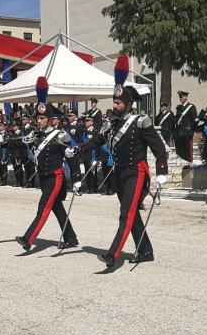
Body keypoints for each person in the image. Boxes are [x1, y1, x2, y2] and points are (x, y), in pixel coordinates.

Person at [90, 57, 168, 267]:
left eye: (118, 102)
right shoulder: (113, 122)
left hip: (136, 172)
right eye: (114, 102)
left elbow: (159, 148)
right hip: (119, 173)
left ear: (128, 104)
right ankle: (145, 250)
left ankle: (113, 254)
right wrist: (74, 148)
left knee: (126, 214)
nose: (114, 106)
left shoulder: (140, 121)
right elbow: (97, 140)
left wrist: (162, 171)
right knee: (131, 214)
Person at [15, 79, 79, 251]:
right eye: (38, 117)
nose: (39, 120)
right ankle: (71, 238)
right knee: (57, 207)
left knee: (43, 207)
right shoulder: (37, 134)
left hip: (55, 176)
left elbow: (71, 155)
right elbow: (22, 144)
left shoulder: (60, 135)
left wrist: (76, 178)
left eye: (43, 118)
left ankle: (28, 239)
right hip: (42, 176)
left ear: (51, 119)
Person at [174, 90, 197, 163]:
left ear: (186, 97)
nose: (180, 98)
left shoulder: (191, 107)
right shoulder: (179, 107)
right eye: (179, 97)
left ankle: (189, 165)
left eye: (181, 96)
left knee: (188, 151)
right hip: (179, 133)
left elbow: (195, 120)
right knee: (180, 152)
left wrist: (191, 131)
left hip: (187, 133)